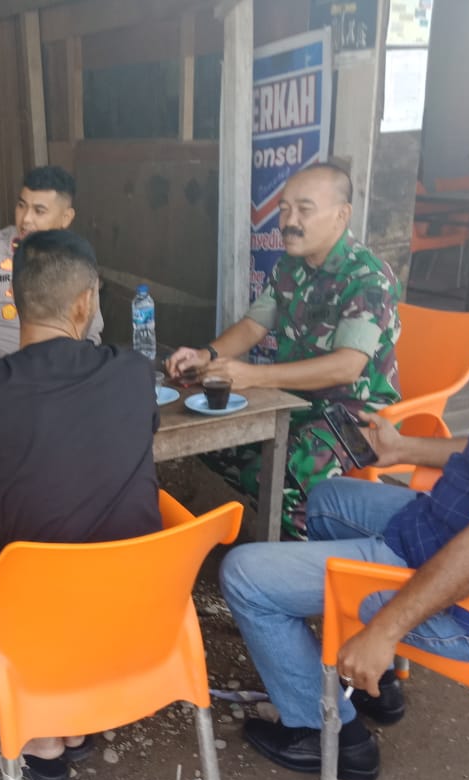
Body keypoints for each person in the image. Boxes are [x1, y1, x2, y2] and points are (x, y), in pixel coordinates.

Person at [219, 207, 469, 780]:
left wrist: (386, 629)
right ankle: (380, 682)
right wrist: (403, 449)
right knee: (328, 498)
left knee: (244, 575)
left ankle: (332, 736)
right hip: (448, 530)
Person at [0, 229, 160, 780]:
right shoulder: (133, 371)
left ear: (14, 301)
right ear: (85, 303)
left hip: (40, 616)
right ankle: (74, 714)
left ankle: (42, 725)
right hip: (139, 613)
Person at [167, 162, 401, 537]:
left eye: (304, 210)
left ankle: (297, 556)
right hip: (292, 402)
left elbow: (346, 367)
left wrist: (253, 376)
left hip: (353, 417)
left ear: (342, 215)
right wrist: (206, 355)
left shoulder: (367, 277)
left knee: (285, 477)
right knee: (213, 444)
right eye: (284, 209)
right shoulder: (290, 266)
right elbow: (253, 325)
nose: (288, 221)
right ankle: (257, 533)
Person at [0, 165, 104, 359]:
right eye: (21, 206)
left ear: (66, 217)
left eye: (39, 211)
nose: (26, 219)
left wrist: (72, 368)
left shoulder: (78, 261)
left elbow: (92, 334)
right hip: (1, 372)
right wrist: (2, 371)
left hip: (64, 371)